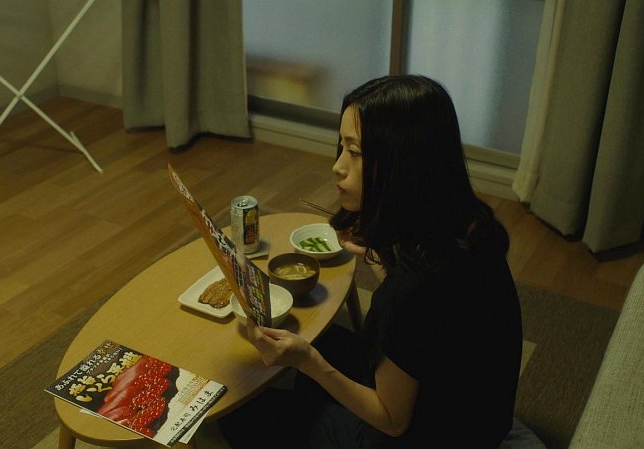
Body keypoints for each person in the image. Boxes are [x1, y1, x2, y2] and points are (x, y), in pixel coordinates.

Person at [218, 74, 524, 448]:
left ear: (402, 163)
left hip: (427, 437)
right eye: (341, 147)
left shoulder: (407, 293)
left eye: (355, 152)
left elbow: (392, 421)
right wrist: (376, 257)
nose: (338, 166)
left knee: (243, 417)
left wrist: (308, 362)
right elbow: (426, 327)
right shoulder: (472, 227)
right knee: (327, 341)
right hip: (483, 420)